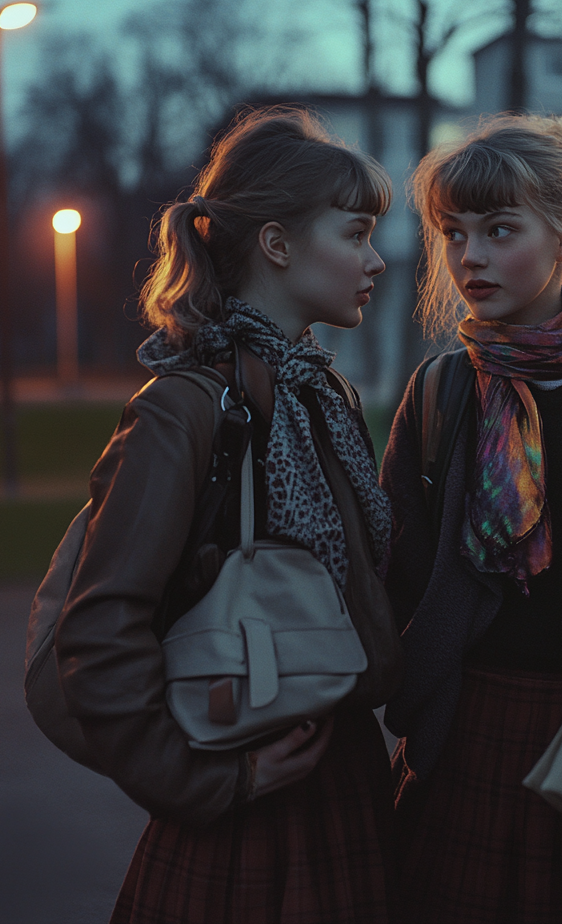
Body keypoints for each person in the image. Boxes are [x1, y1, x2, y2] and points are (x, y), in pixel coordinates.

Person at [55, 108, 398, 924]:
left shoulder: (323, 393)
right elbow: (99, 636)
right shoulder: (183, 407)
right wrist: (211, 783)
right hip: (242, 812)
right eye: (353, 235)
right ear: (276, 246)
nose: (376, 260)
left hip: (343, 780)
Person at [379, 114, 562, 923]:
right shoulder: (439, 393)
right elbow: (391, 571)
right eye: (453, 232)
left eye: (499, 230)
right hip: (465, 736)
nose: (470, 256)